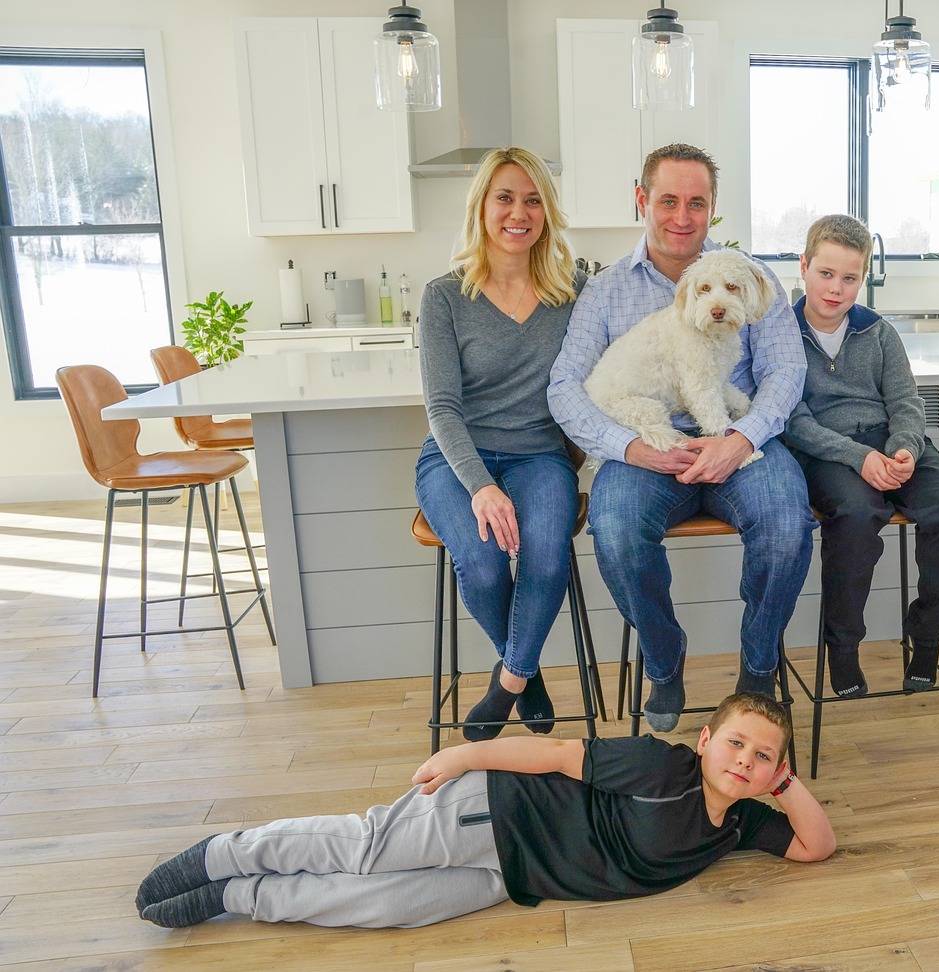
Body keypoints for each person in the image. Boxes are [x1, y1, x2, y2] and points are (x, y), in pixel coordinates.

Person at [135, 693, 836, 929]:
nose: (745, 760)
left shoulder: (739, 824)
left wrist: (784, 785)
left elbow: (816, 846)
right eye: (736, 742)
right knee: (365, 848)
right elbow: (558, 754)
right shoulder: (664, 766)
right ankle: (222, 855)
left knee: (387, 907)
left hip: (512, 876)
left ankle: (239, 896)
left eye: (762, 757)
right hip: (496, 810)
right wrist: (463, 756)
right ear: (706, 740)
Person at [548, 143, 815, 733]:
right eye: (668, 200)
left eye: (697, 203)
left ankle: (757, 669)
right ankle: (665, 661)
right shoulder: (605, 290)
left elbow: (785, 371)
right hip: (646, 449)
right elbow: (565, 387)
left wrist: (740, 438)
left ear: (713, 208)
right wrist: (630, 447)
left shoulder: (750, 278)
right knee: (615, 530)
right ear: (641, 200)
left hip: (739, 443)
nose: (682, 216)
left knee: (787, 525)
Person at [414, 147, 586, 740]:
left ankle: (508, 679)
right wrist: (481, 487)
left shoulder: (575, 292)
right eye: (505, 198)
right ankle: (526, 672)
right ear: (481, 207)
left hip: (540, 455)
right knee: (484, 567)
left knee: (547, 555)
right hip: (456, 458)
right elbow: (442, 408)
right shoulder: (444, 296)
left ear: (548, 212)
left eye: (533, 200)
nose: (519, 213)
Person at [785, 215, 939, 697]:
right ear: (804, 267)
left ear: (863, 278)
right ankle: (843, 647)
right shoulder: (780, 334)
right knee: (856, 515)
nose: (836, 288)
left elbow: (907, 403)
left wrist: (904, 448)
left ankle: (928, 640)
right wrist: (859, 458)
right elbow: (793, 422)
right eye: (826, 274)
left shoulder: (879, 331)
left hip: (891, 442)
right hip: (827, 452)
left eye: (850, 278)